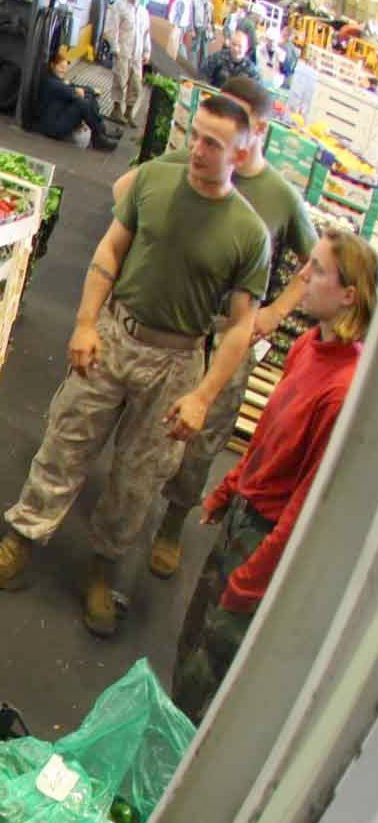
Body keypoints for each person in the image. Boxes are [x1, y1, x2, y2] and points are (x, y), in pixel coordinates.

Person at [0, 95, 271, 638]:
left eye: (213, 144)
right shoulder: (153, 183)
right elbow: (111, 251)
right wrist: (85, 324)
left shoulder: (248, 233)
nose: (196, 149)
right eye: (196, 135)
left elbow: (240, 328)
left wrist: (203, 397)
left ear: (240, 153)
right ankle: (16, 546)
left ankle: (102, 572)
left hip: (177, 361)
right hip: (116, 337)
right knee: (65, 442)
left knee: (140, 477)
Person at [173, 231, 373, 721]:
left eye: (318, 270)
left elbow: (307, 501)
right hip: (242, 517)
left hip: (265, 537)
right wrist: (228, 487)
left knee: (214, 663)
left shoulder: (343, 390)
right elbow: (267, 435)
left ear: (349, 295)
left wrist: (253, 580)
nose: (302, 277)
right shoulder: (306, 346)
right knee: (192, 637)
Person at [123, 76, 317, 577]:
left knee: (203, 438)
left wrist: (276, 311)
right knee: (145, 422)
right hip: (170, 326)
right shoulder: (190, 163)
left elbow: (315, 262)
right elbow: (128, 196)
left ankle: (172, 523)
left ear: (258, 130)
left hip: (229, 335)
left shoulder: (279, 197)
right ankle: (123, 510)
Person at [36, 53, 122, 150]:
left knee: (89, 98)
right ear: (52, 66)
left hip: (59, 117)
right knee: (82, 103)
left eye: (65, 68)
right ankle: (99, 136)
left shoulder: (58, 80)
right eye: (61, 67)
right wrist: (90, 91)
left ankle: (101, 132)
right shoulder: (52, 82)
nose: (64, 70)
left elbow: (76, 87)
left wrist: (90, 91)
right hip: (52, 128)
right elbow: (76, 93)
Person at [104, 0, 150, 125]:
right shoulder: (119, 6)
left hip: (137, 56)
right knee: (120, 80)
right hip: (123, 52)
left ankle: (129, 112)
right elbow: (111, 29)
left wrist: (146, 52)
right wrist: (116, 48)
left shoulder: (143, 12)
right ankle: (116, 110)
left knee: (136, 84)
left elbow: (146, 34)